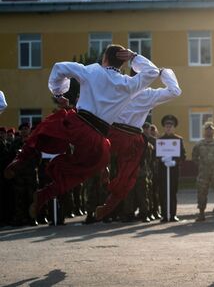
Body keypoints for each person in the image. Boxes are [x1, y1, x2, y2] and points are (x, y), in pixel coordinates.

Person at [4, 45, 159, 218]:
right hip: (97, 137)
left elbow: (59, 67)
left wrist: (58, 93)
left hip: (77, 122)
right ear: (122, 63)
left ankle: (20, 160)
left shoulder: (92, 71)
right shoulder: (128, 84)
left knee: (44, 129)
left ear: (104, 58)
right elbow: (152, 72)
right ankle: (46, 195)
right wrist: (134, 57)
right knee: (80, 172)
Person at [95, 67, 181, 220]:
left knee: (102, 160)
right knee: (127, 177)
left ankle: (103, 170)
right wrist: (164, 73)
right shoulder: (148, 94)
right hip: (131, 136)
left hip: (112, 133)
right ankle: (109, 205)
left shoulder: (119, 89)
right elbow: (174, 91)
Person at [193, 121, 214, 222]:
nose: (209, 131)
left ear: (213, 131)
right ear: (204, 131)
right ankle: (201, 214)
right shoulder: (199, 144)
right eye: (207, 129)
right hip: (203, 173)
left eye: (211, 129)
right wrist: (201, 165)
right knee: (202, 192)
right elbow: (194, 157)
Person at [156, 114, 186, 222]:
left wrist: (175, 162)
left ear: (174, 127)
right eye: (166, 126)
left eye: (171, 126)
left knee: (172, 192)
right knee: (163, 193)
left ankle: (173, 215)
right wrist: (161, 159)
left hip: (173, 170)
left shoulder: (178, 140)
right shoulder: (160, 140)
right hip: (163, 170)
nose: (168, 127)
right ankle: (164, 215)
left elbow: (183, 155)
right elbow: (156, 155)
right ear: (164, 127)